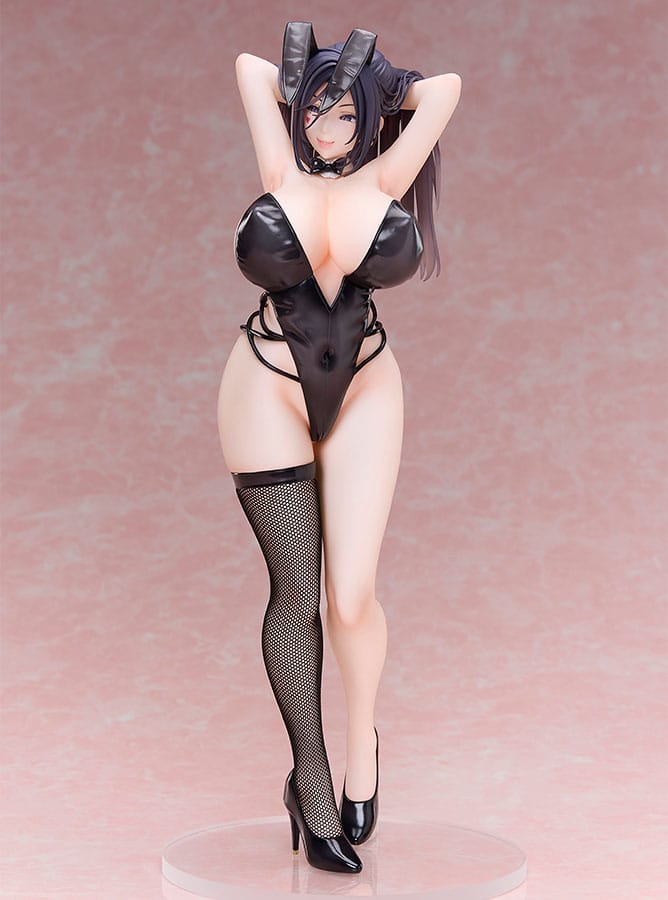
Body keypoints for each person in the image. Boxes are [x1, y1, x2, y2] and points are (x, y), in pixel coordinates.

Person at [217, 22, 461, 874]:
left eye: (345, 113)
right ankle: (311, 788)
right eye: (315, 112)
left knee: (351, 599)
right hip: (265, 384)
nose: (327, 128)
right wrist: (315, 76)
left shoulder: (387, 175)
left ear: (368, 118)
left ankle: (362, 745)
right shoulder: (277, 170)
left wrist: (375, 81)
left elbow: (446, 90)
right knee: (296, 593)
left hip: (366, 387)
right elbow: (251, 66)